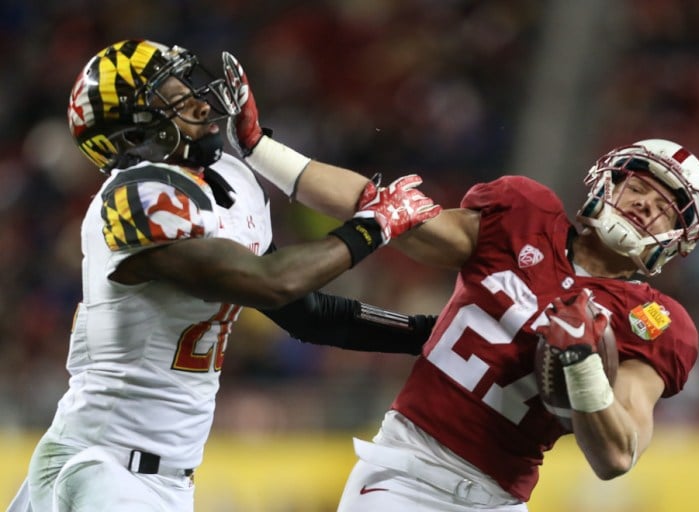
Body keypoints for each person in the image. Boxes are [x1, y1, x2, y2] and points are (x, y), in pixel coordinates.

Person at [226, 67, 699, 510]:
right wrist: (258, 148)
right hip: (407, 474)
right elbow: (384, 210)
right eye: (640, 187)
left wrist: (583, 369)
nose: (647, 206)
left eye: (667, 207)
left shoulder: (653, 321)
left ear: (676, 239)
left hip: (500, 499)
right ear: (608, 180)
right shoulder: (524, 214)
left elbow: (617, 456)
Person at [7, 39, 442, 512]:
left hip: (158, 476)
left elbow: (307, 313)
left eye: (187, 86)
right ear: (135, 136)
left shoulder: (229, 180)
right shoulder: (134, 198)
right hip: (103, 464)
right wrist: (374, 226)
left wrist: (432, 335)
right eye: (174, 100)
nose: (199, 101)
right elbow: (270, 281)